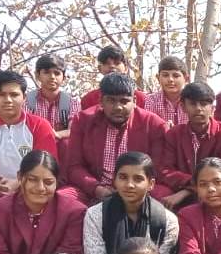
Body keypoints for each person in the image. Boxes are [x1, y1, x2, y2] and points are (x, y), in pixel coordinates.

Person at [82, 152, 179, 254]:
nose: (129, 185)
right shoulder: (95, 215)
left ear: (151, 184)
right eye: (123, 177)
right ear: (114, 180)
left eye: (138, 179)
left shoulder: (167, 219)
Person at [63, 73, 171, 205]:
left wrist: (133, 189)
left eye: (124, 101)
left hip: (138, 190)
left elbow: (157, 169)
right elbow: (74, 167)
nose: (118, 107)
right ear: (101, 101)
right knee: (64, 198)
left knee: (163, 195)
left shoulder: (154, 124)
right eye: (111, 101)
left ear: (134, 101)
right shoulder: (83, 121)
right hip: (94, 189)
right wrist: (96, 188)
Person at [0, 70, 58, 206]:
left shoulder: (40, 126)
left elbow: (44, 170)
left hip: (29, 187)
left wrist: (16, 184)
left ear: (24, 97)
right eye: (1, 94)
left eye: (14, 95)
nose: (8, 100)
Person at [157, 82, 221, 210]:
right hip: (180, 188)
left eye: (204, 104)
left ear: (213, 108)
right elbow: (165, 170)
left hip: (214, 191)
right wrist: (193, 185)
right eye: (193, 104)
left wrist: (187, 191)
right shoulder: (174, 134)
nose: (199, 108)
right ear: (183, 107)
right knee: (158, 194)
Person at [26, 54, 80, 161]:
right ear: (37, 75)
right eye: (46, 72)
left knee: (67, 143)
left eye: (57, 73)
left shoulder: (72, 103)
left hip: (60, 154)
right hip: (33, 150)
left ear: (64, 78)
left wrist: (55, 134)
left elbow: (74, 130)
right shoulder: (28, 101)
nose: (52, 77)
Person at [79, 45, 147, 109]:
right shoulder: (88, 99)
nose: (112, 66)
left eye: (117, 63)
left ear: (126, 68)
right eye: (107, 63)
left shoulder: (142, 99)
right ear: (99, 69)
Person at [143, 55, 189, 128]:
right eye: (165, 75)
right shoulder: (151, 101)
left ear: (186, 79)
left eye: (176, 76)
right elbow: (148, 129)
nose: (170, 79)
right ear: (158, 78)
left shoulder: (192, 101)